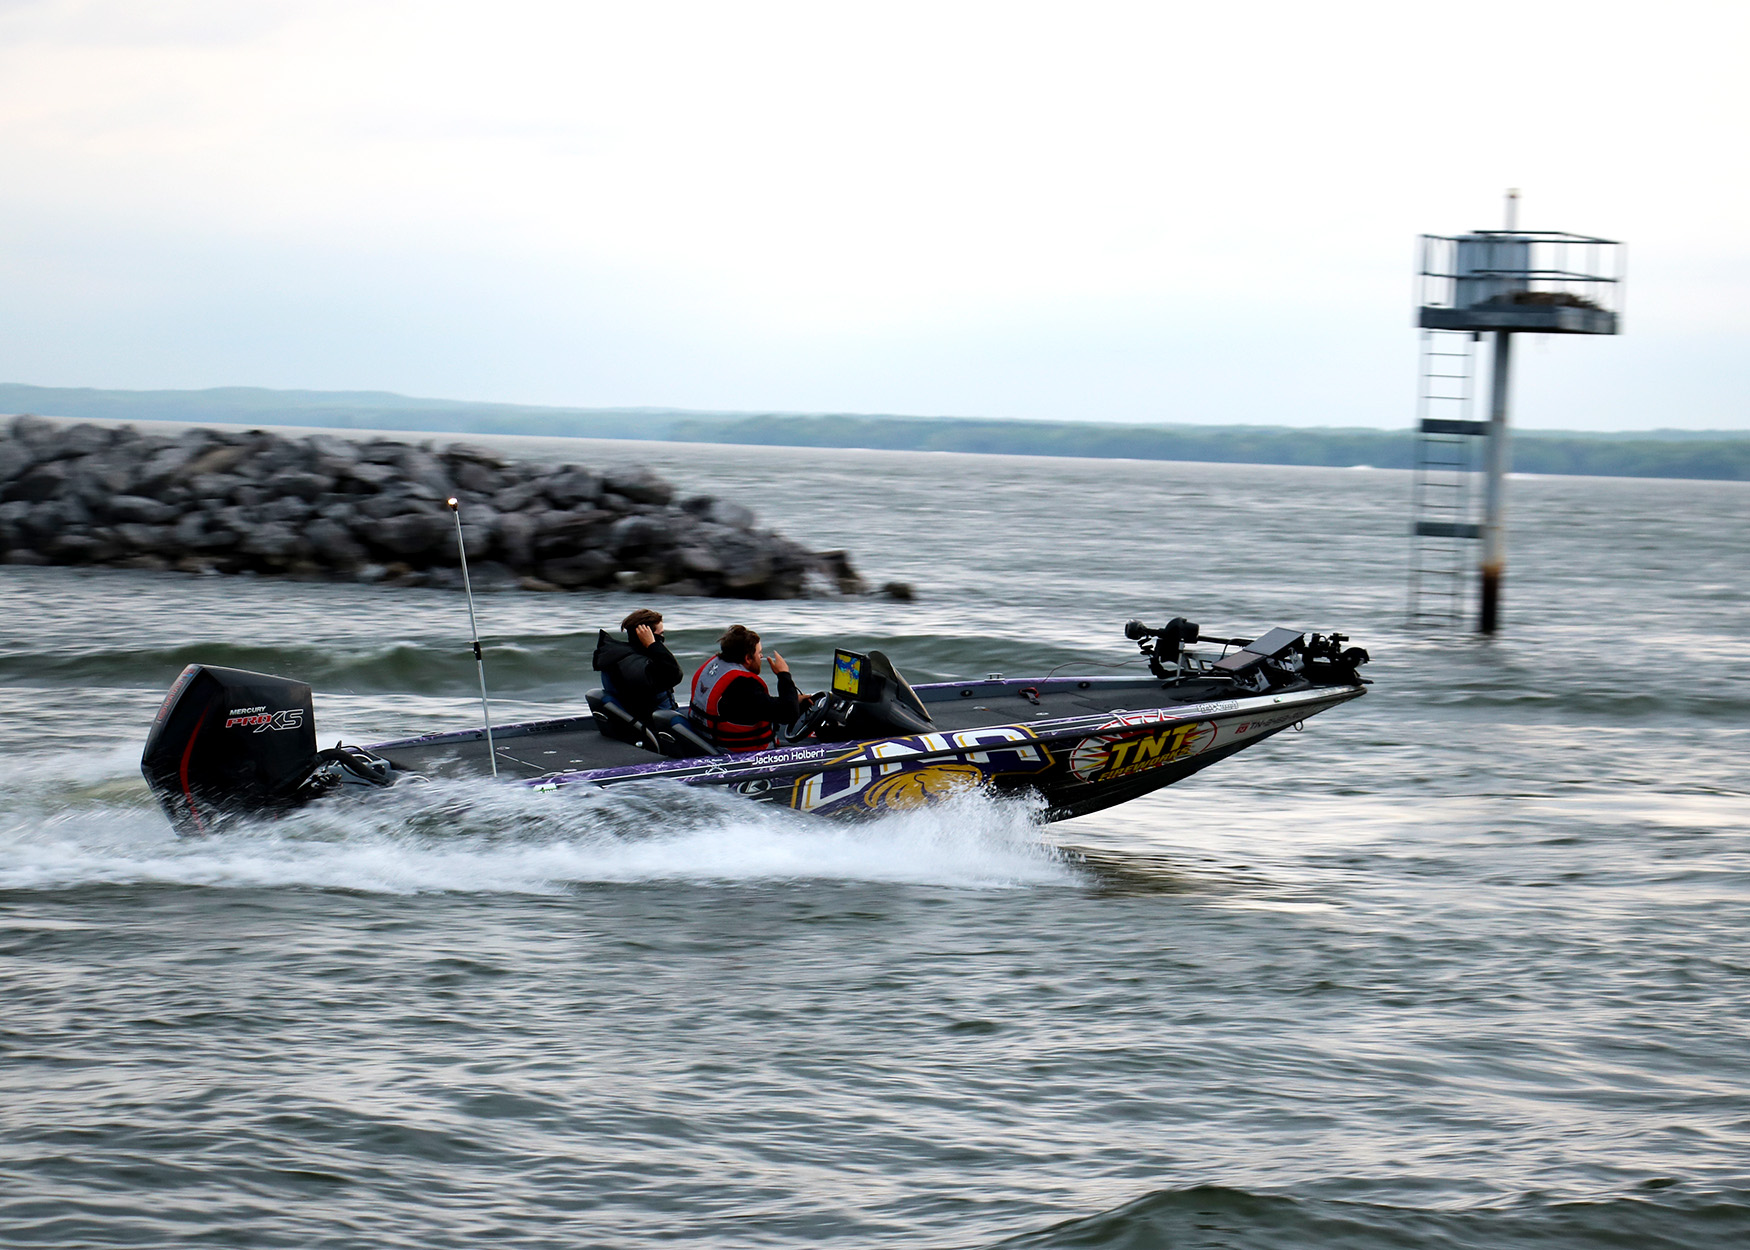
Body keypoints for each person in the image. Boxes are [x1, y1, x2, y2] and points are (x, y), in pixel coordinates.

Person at [688, 624, 802, 752]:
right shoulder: (743, 685)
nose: (762, 656)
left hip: (709, 740)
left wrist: (794, 699)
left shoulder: (714, 667)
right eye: (759, 653)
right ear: (747, 658)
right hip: (742, 755)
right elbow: (789, 713)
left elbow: (750, 705)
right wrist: (783, 674)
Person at [592, 608, 683, 725]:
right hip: (658, 726)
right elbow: (674, 674)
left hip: (658, 718)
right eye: (660, 634)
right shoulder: (634, 665)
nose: (662, 639)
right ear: (646, 635)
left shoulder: (621, 656)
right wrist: (652, 644)